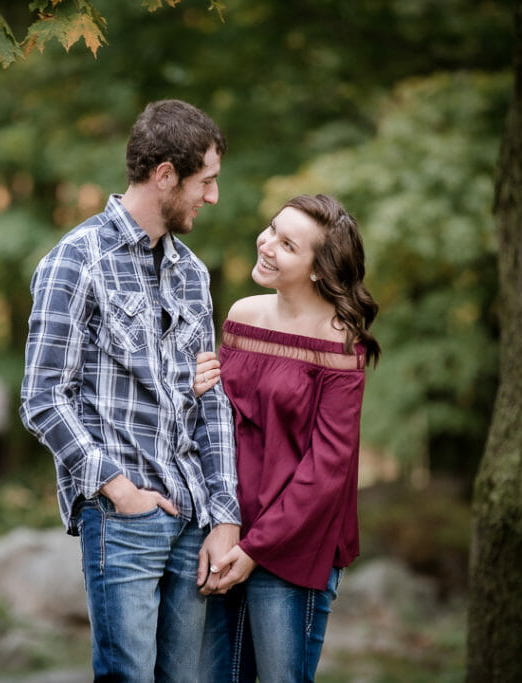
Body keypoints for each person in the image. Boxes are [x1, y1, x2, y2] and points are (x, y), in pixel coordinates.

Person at [19, 99, 241, 682]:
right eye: (206, 181)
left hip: (193, 518)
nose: (213, 197)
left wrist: (225, 516)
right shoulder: (76, 261)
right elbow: (43, 397)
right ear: (165, 174)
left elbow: (212, 403)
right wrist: (118, 489)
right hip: (124, 520)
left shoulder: (193, 274)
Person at [197, 193, 381, 683]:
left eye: (287, 244)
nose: (266, 244)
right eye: (271, 230)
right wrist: (195, 388)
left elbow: (327, 469)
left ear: (318, 269)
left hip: (295, 546)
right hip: (227, 531)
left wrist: (256, 549)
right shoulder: (242, 316)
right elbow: (220, 423)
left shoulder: (340, 342)